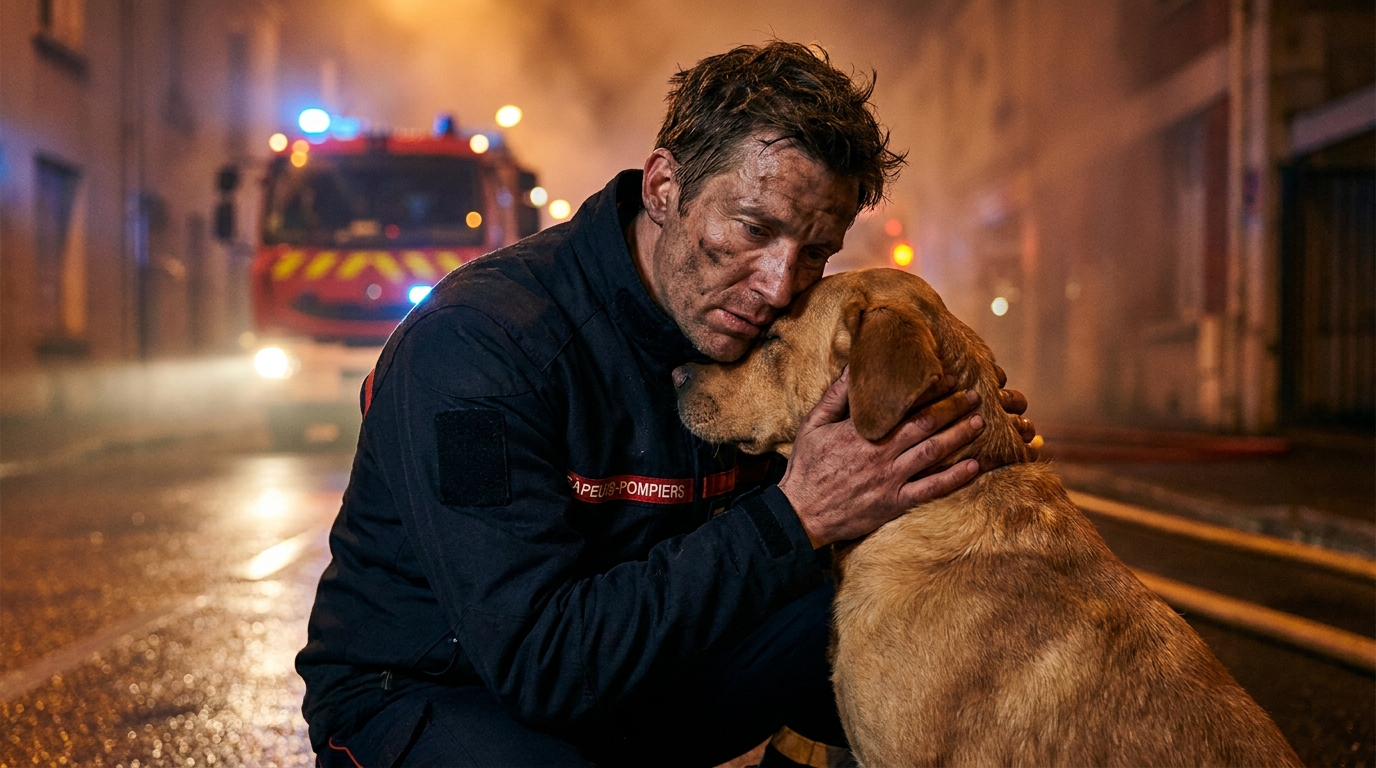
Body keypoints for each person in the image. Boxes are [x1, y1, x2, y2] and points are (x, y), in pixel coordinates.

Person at [298, 41, 1036, 767]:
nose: (780, 285)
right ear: (662, 187)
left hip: (643, 678)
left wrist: (947, 443)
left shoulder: (750, 330)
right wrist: (797, 514)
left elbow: (859, 494)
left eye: (815, 250)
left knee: (905, 635)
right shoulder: (477, 347)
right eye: (754, 228)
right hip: (445, 695)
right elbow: (541, 665)